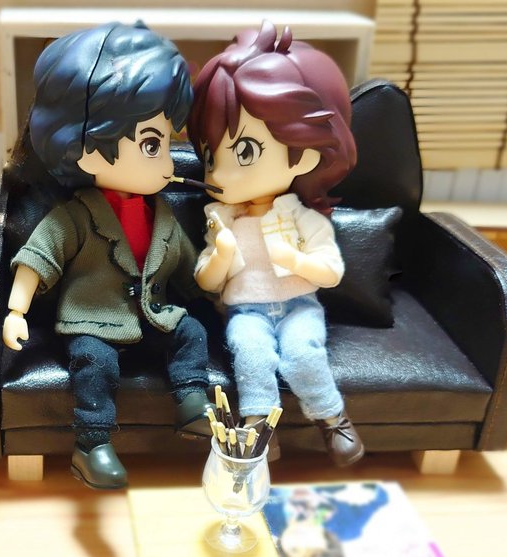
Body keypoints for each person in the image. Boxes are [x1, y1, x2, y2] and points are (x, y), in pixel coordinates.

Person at [2, 22, 213, 490]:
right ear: (84, 147)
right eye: (151, 145)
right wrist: (16, 311)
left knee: (191, 332)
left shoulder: (162, 214)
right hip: (93, 320)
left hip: (152, 316)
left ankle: (191, 401)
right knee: (94, 364)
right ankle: (92, 445)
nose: (166, 162)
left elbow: (190, 270)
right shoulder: (75, 216)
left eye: (165, 143)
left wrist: (220, 288)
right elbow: (38, 257)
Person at [187, 21, 363, 467]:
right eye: (210, 156)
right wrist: (222, 254)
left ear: (306, 153)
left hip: (299, 307)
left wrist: (295, 259)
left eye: (244, 151)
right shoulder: (222, 220)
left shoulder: (303, 218)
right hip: (246, 312)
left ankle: (332, 418)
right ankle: (259, 427)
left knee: (303, 352)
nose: (217, 173)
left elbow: (331, 272)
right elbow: (206, 280)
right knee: (250, 353)